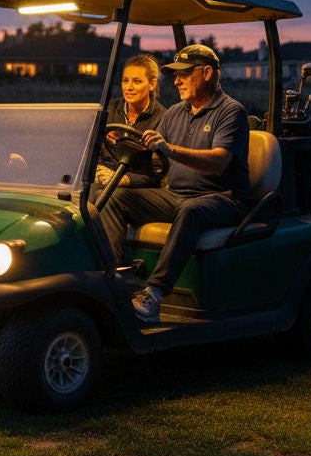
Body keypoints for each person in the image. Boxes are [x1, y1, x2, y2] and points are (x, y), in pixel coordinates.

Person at [98, 44, 251, 322]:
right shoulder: (176, 113)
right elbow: (154, 161)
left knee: (190, 209)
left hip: (224, 198)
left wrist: (170, 150)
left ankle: (154, 293)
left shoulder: (231, 112)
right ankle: (114, 281)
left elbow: (219, 161)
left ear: (207, 73)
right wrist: (121, 147)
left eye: (184, 74)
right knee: (115, 197)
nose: (177, 81)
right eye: (176, 75)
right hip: (177, 194)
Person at [96, 54, 166, 187]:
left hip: (137, 186)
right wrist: (98, 170)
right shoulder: (109, 109)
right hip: (104, 178)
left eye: (137, 81)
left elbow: (158, 172)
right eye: (125, 80)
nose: (128, 87)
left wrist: (126, 179)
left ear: (152, 84)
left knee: (111, 195)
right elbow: (93, 151)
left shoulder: (162, 118)